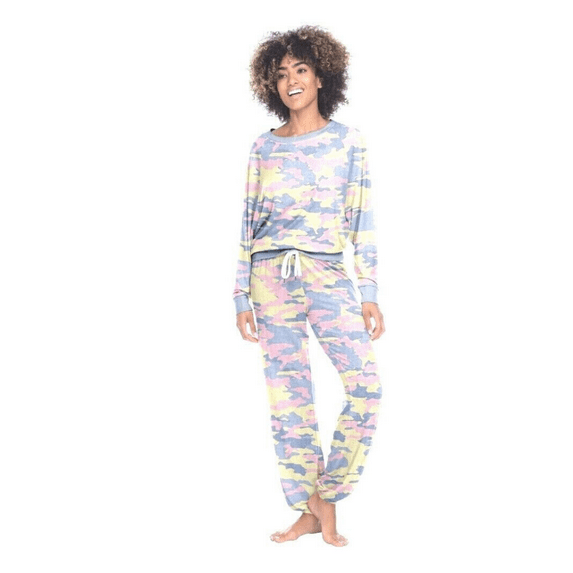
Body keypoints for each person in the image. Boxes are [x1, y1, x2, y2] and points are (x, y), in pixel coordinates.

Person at [233, 25, 385, 548]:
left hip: (327, 273)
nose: (291, 81)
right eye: (281, 74)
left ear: (321, 77)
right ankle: (309, 511)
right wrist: (240, 293)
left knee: (366, 388)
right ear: (270, 84)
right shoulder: (263, 148)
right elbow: (248, 223)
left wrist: (368, 290)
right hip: (269, 277)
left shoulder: (348, 142)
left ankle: (328, 495)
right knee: (289, 398)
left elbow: (361, 219)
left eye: (301, 69)